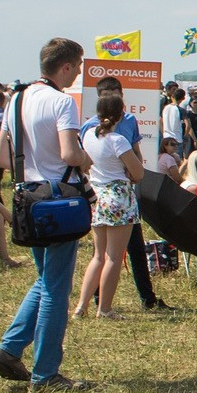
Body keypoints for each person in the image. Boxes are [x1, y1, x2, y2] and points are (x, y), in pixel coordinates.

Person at [0, 39, 91, 392]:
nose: (78, 72)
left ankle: (10, 349)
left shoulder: (16, 99)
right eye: (77, 65)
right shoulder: (62, 102)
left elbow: (2, 158)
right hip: (57, 199)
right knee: (56, 289)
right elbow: (68, 152)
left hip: (25, 198)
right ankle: (46, 374)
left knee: (45, 279)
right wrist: (84, 157)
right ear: (64, 67)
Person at [73, 82, 146, 321]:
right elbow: (139, 173)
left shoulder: (89, 136)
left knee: (98, 256)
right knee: (114, 257)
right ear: (119, 114)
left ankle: (81, 306)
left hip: (98, 197)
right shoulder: (118, 140)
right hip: (119, 198)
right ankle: (104, 308)